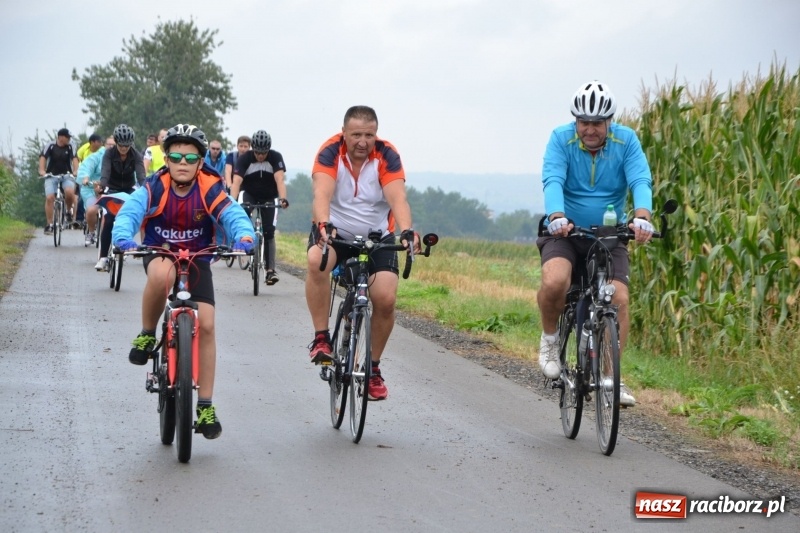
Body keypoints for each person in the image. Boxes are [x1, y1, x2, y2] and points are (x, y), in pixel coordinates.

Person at [112, 123, 255, 439]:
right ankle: (148, 333)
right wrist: (123, 237)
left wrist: (245, 235)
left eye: (190, 158)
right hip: (160, 251)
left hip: (199, 258)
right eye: (175, 156)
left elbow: (232, 215)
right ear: (166, 157)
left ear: (201, 162)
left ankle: (204, 405)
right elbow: (129, 213)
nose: (182, 163)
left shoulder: (210, 188)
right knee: (163, 274)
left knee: (206, 324)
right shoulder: (154, 186)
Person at [536, 80, 654, 407]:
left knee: (619, 297)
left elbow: (640, 180)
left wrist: (642, 216)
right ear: (575, 121)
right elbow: (553, 179)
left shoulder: (626, 141)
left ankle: (609, 378)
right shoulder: (561, 139)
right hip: (565, 231)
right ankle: (549, 339)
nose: (590, 129)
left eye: (597, 123)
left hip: (608, 234)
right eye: (584, 122)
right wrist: (556, 215)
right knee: (556, 280)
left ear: (609, 122)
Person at [305, 105, 420, 401]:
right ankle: (321, 339)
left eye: (369, 135)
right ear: (344, 133)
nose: (362, 141)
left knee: (385, 297)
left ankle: (373, 369)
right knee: (316, 260)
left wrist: (407, 231)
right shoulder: (330, 152)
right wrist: (323, 225)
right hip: (335, 232)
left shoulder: (386, 154)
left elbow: (398, 198)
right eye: (356, 134)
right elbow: (322, 194)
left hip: (377, 237)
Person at [229, 129, 289, 285]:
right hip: (249, 193)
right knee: (242, 214)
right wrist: (232, 201)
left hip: (270, 196)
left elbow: (280, 180)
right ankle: (242, 243)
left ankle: (270, 270)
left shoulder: (275, 157)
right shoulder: (245, 159)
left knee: (269, 232)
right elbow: (236, 182)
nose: (260, 156)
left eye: (263, 153)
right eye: (257, 153)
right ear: (252, 149)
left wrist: (283, 199)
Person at [95, 124, 145, 271]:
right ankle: (103, 257)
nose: (124, 148)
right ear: (116, 142)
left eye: (127, 145)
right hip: (112, 189)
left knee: (131, 217)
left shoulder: (136, 155)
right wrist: (102, 186)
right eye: (121, 145)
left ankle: (129, 244)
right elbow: (105, 173)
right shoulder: (109, 154)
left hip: (129, 190)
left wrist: (147, 189)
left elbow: (141, 176)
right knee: (109, 219)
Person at [38, 128, 79, 235]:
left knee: (70, 192)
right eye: (67, 137)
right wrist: (42, 171)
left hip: (66, 175)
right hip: (51, 175)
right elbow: (43, 157)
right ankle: (49, 224)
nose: (69, 139)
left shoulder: (71, 146)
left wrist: (75, 171)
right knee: (50, 197)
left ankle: (68, 211)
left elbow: (75, 159)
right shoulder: (50, 145)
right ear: (61, 137)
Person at [77, 136, 115, 245]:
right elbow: (86, 167)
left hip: (111, 190)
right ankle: (92, 232)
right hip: (91, 189)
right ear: (104, 145)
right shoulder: (96, 157)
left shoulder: (119, 158)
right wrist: (85, 177)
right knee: (91, 210)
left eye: (114, 145)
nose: (111, 147)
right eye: (109, 145)